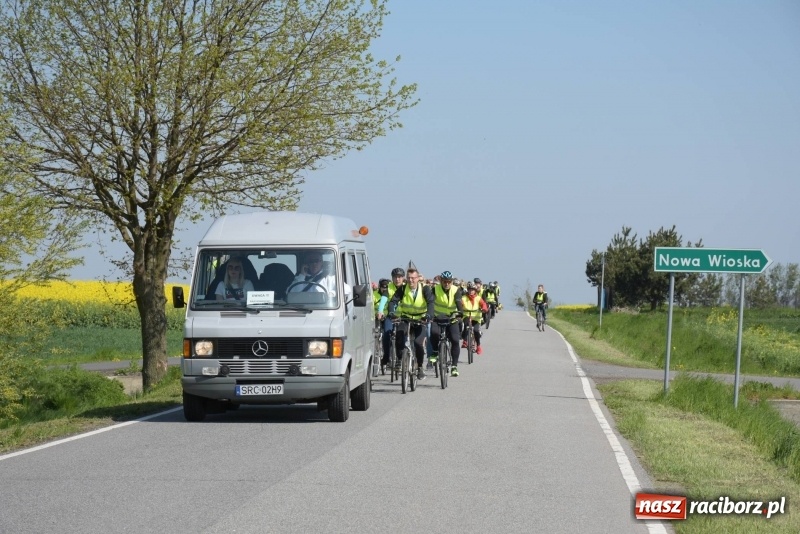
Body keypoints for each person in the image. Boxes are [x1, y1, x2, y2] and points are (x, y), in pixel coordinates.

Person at [388, 266, 435, 379]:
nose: (410, 280)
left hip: (420, 319)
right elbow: (393, 301)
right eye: (409, 278)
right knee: (398, 335)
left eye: (413, 278)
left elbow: (430, 303)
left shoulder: (425, 289)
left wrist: (428, 315)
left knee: (418, 344)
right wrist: (391, 312)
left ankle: (419, 367)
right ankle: (400, 359)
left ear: (418, 278)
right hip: (406, 318)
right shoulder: (403, 288)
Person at [429, 270, 464, 377]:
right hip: (437, 318)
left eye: (449, 282)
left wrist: (460, 314)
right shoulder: (435, 289)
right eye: (445, 281)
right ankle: (435, 352)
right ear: (441, 281)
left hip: (451, 319)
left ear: (451, 282)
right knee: (434, 333)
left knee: (455, 340)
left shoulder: (456, 290)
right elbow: (430, 303)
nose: (447, 284)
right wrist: (430, 314)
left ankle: (454, 366)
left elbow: (458, 303)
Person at [377, 267, 406, 369]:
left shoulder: (406, 288)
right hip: (391, 316)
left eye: (399, 277)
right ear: (392, 278)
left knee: (401, 337)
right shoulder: (388, 288)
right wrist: (380, 311)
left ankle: (400, 358)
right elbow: (383, 300)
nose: (397, 279)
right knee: (386, 334)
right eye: (395, 277)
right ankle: (386, 356)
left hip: (403, 317)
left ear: (403, 278)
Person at [462, 281, 489, 355]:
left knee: (476, 331)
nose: (471, 291)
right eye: (470, 289)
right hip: (467, 316)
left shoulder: (478, 298)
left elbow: (483, 304)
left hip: (476, 318)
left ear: (475, 291)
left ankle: (479, 346)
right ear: (467, 290)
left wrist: (484, 308)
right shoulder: (464, 298)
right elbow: (460, 304)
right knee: (466, 325)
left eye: (473, 290)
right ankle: (465, 341)